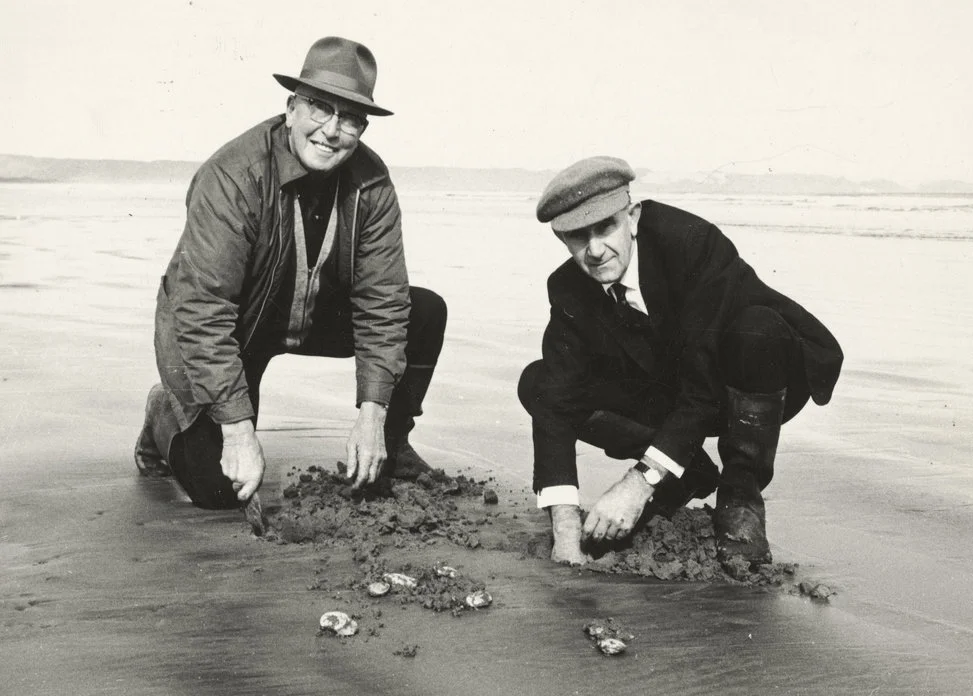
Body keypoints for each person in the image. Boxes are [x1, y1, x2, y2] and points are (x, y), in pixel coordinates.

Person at [134, 37, 447, 530]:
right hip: (230, 331)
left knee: (424, 310)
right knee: (220, 491)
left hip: (311, 314)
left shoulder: (373, 183)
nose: (331, 130)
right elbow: (202, 313)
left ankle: (395, 443)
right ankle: (162, 413)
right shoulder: (233, 175)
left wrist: (374, 415)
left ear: (362, 128)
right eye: (320, 108)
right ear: (291, 107)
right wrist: (238, 434)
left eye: (349, 118)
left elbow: (382, 302)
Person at [518, 156, 843, 566]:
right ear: (561, 239)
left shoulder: (691, 242)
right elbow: (558, 397)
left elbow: (702, 387)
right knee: (538, 381)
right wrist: (564, 527)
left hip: (747, 380)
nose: (596, 250)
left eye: (606, 228)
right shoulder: (566, 287)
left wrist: (639, 483)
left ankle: (741, 497)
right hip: (669, 388)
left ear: (632, 217)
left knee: (757, 329)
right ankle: (686, 473)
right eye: (578, 237)